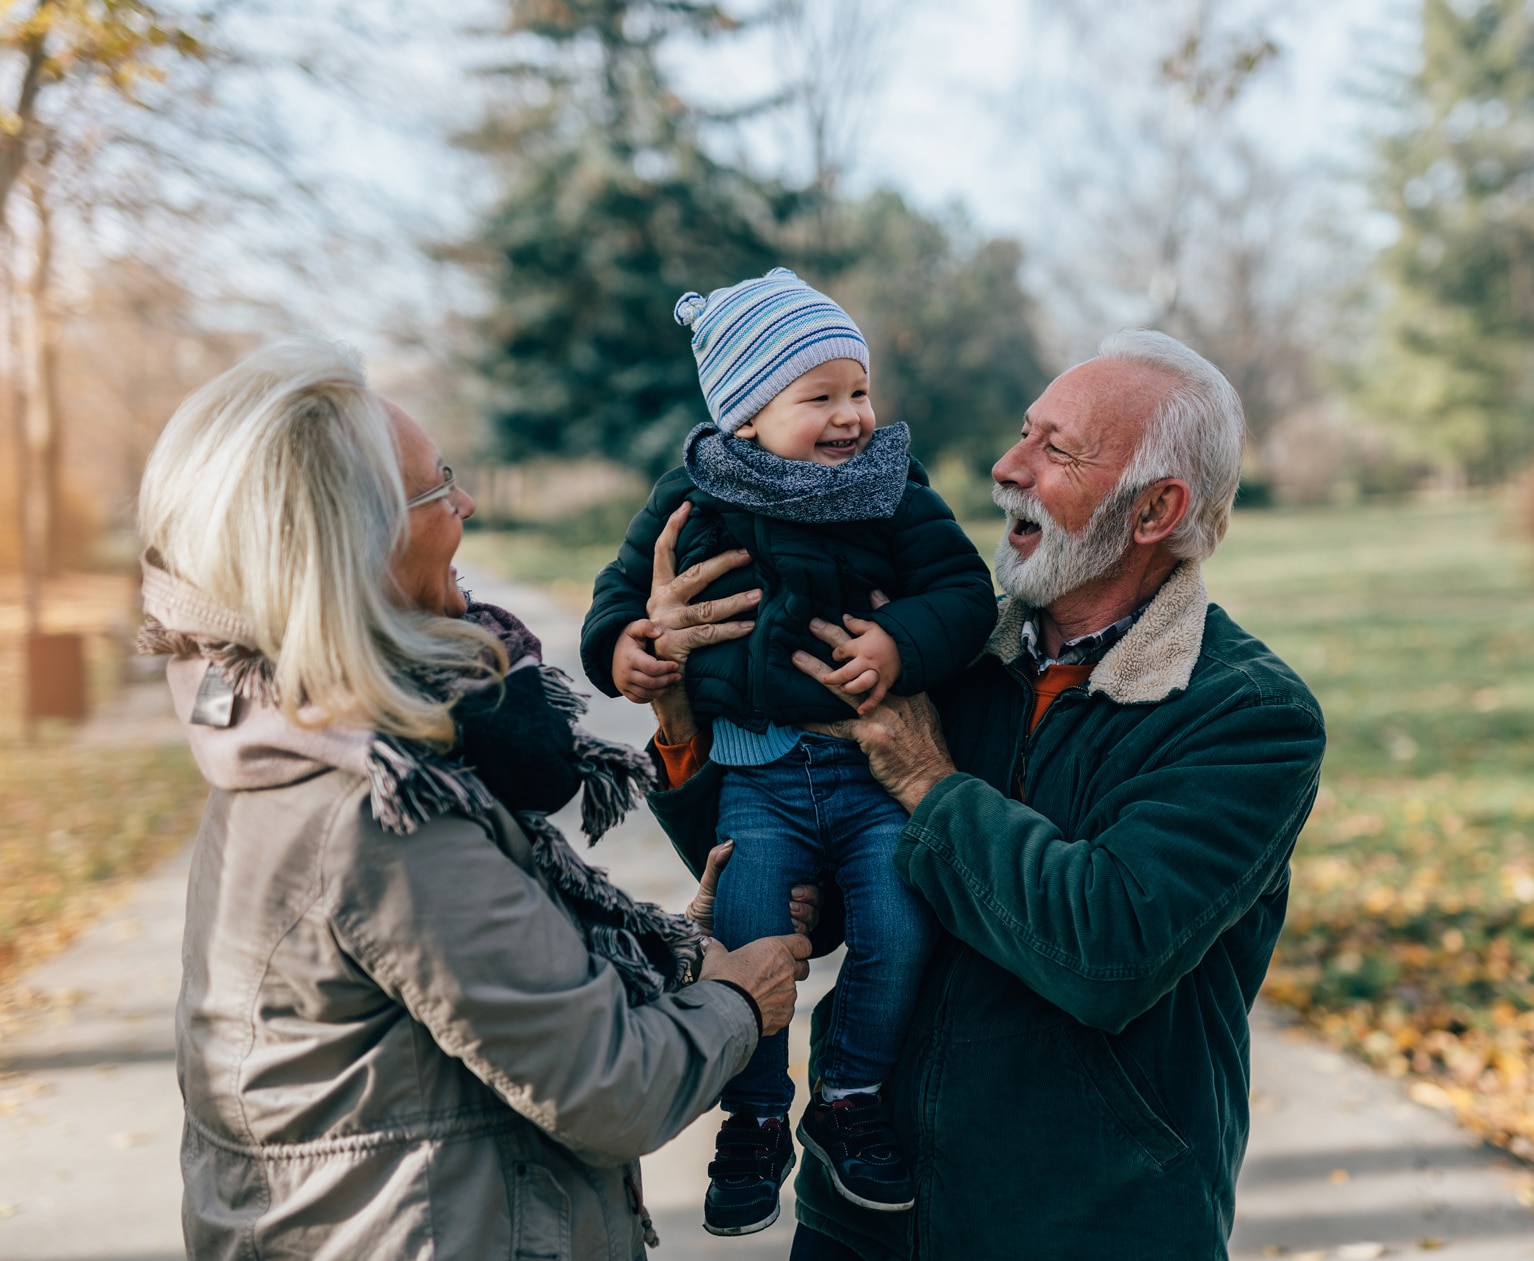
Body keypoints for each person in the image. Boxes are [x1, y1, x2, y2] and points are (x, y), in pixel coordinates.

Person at [639, 329, 1328, 1260]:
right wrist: (679, 706)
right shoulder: (948, 657)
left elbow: (1107, 950)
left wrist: (929, 781)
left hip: (1085, 1224)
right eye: (1023, 432)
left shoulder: (1244, 713)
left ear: (1157, 507)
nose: (1008, 467)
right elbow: (811, 882)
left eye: (1057, 451)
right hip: (864, 1211)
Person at [135, 337, 815, 1261]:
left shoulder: (292, 731)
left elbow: (496, 986)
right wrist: (739, 1002)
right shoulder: (376, 810)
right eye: (434, 491)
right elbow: (606, 1084)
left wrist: (673, 948)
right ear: (352, 546)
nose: (466, 503)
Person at [580, 268, 997, 1236]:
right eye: (820, 398)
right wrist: (626, 648)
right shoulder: (695, 493)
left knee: (899, 925)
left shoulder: (890, 488)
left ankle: (848, 1093)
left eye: (859, 391)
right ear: (745, 414)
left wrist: (899, 645)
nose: (852, 416)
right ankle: (756, 1112)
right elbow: (618, 594)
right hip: (755, 779)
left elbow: (961, 593)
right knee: (750, 936)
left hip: (867, 774)